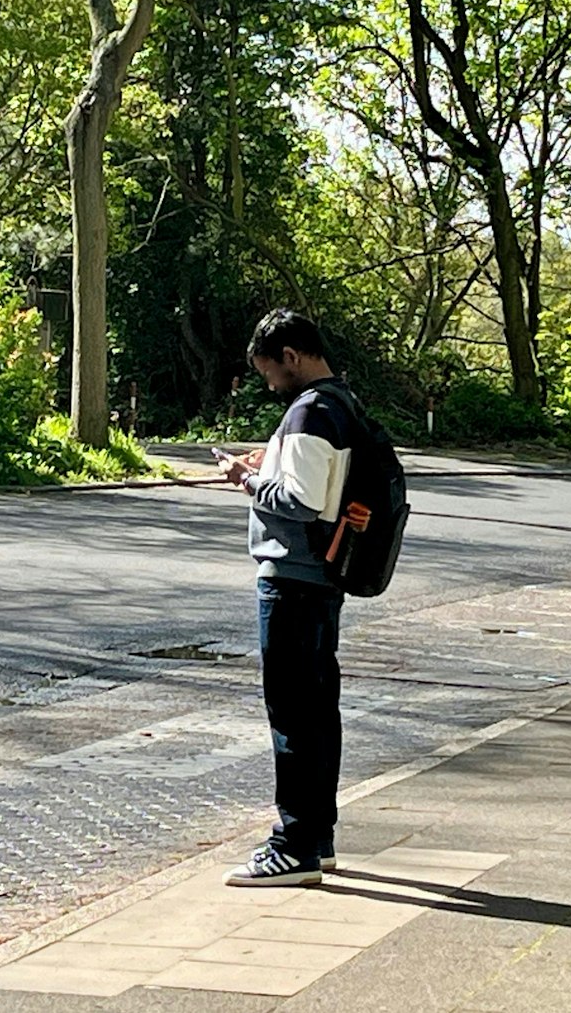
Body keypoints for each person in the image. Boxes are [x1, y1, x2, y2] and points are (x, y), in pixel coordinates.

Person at [217, 308, 358, 887]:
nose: (270, 383)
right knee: (319, 712)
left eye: (270, 371)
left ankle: (293, 845)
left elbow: (300, 502)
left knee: (293, 716)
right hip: (324, 578)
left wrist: (247, 479)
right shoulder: (342, 404)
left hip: (292, 579)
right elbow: (321, 483)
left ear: (291, 357)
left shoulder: (307, 412)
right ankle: (318, 838)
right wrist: (270, 461)